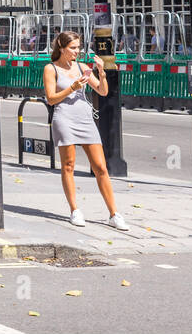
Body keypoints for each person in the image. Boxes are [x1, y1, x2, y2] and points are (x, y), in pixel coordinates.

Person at [42, 31, 128, 231]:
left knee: (101, 167)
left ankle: (114, 214)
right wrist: (72, 87)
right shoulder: (51, 68)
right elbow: (51, 99)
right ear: (61, 48)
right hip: (64, 117)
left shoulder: (82, 67)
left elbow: (103, 91)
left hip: (84, 118)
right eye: (72, 48)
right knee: (69, 165)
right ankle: (75, 210)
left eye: (78, 47)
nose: (77, 51)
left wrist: (101, 71)